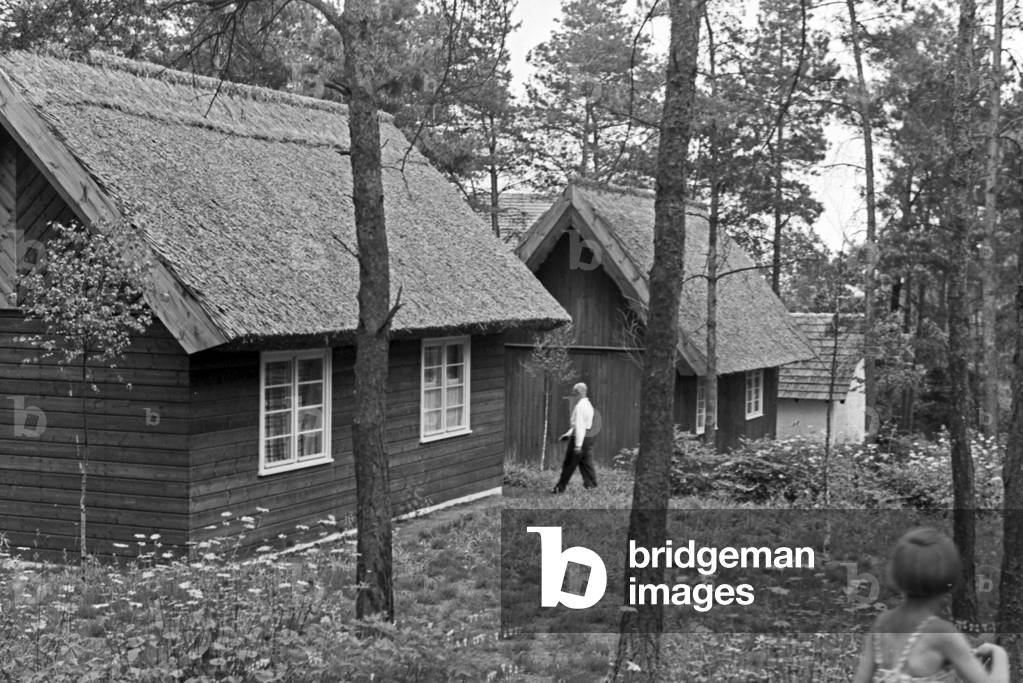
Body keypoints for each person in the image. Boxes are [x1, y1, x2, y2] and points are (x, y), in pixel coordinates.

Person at [852, 527, 1008, 683]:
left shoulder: (881, 625)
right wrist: (999, 654)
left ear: (896, 573)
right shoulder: (942, 634)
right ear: (950, 579)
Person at [550, 382, 597, 493]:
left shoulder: (580, 406)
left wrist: (577, 446)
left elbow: (580, 426)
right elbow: (582, 425)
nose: (573, 394)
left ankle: (560, 488)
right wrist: (568, 434)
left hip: (580, 438)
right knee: (586, 463)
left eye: (574, 392)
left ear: (580, 392)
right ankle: (592, 486)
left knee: (569, 464)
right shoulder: (588, 405)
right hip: (587, 438)